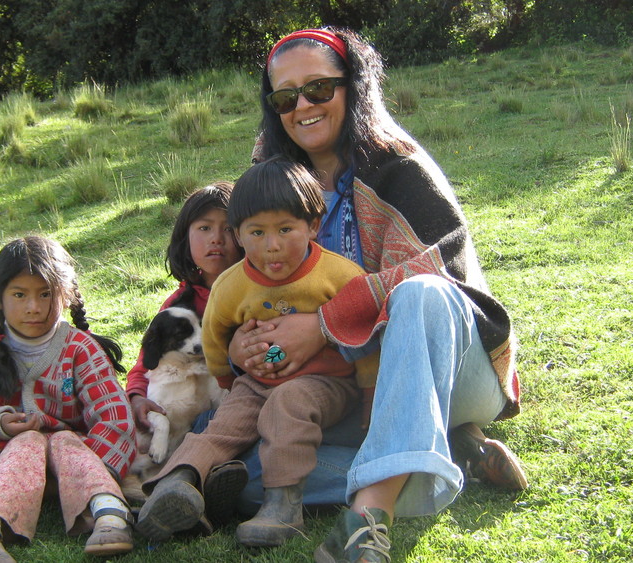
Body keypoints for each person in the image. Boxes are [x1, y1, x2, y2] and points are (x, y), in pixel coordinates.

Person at [228, 27, 527, 562]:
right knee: (248, 474)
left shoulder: (398, 165)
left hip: (454, 371)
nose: (303, 106)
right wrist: (247, 344)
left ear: (354, 87)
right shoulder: (270, 180)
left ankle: (368, 518)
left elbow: (444, 263)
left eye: (320, 89)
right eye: (285, 97)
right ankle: (444, 454)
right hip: (339, 384)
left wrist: (320, 325)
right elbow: (243, 283)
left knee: (420, 295)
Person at [135, 156, 380, 548]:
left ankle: (283, 505)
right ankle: (176, 485)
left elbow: (366, 336)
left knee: (288, 403)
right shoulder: (232, 284)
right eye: (257, 233)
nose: (273, 246)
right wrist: (230, 381)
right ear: (240, 235)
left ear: (314, 225)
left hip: (326, 383)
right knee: (222, 426)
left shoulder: (339, 276)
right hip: (255, 381)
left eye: (286, 229)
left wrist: (369, 396)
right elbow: (214, 335)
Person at [0, 236, 137, 562]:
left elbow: (115, 420)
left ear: (66, 296)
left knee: (64, 441)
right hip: (1, 464)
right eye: (19, 294)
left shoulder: (80, 349)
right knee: (28, 441)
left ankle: (110, 515)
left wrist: (90, 470)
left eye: (46, 294)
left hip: (75, 465)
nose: (34, 307)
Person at [123, 182, 247, 528]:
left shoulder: (255, 290)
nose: (216, 239)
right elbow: (144, 363)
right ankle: (185, 494)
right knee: (197, 430)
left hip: (243, 405)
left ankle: (187, 492)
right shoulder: (178, 307)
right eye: (204, 228)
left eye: (227, 229)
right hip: (195, 419)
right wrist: (136, 397)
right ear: (185, 237)